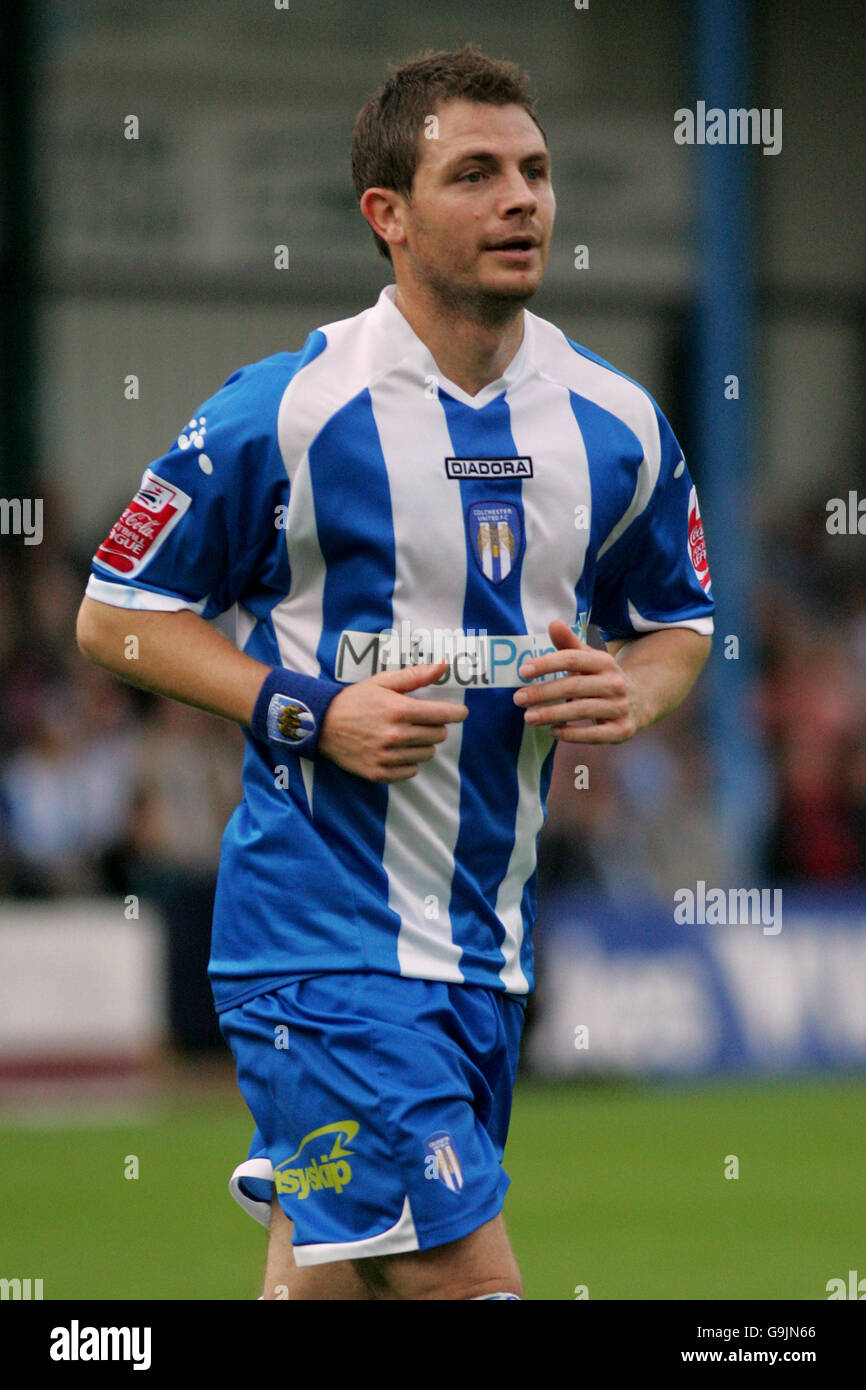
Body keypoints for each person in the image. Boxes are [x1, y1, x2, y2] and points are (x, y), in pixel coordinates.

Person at [76, 44, 714, 1300]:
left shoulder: (615, 423)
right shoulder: (285, 412)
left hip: (485, 949)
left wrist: (636, 689)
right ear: (387, 215)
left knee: (324, 1279)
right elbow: (116, 613)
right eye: (474, 173)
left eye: (533, 170)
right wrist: (306, 709)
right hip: (321, 941)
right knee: (460, 1280)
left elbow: (679, 621)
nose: (521, 198)